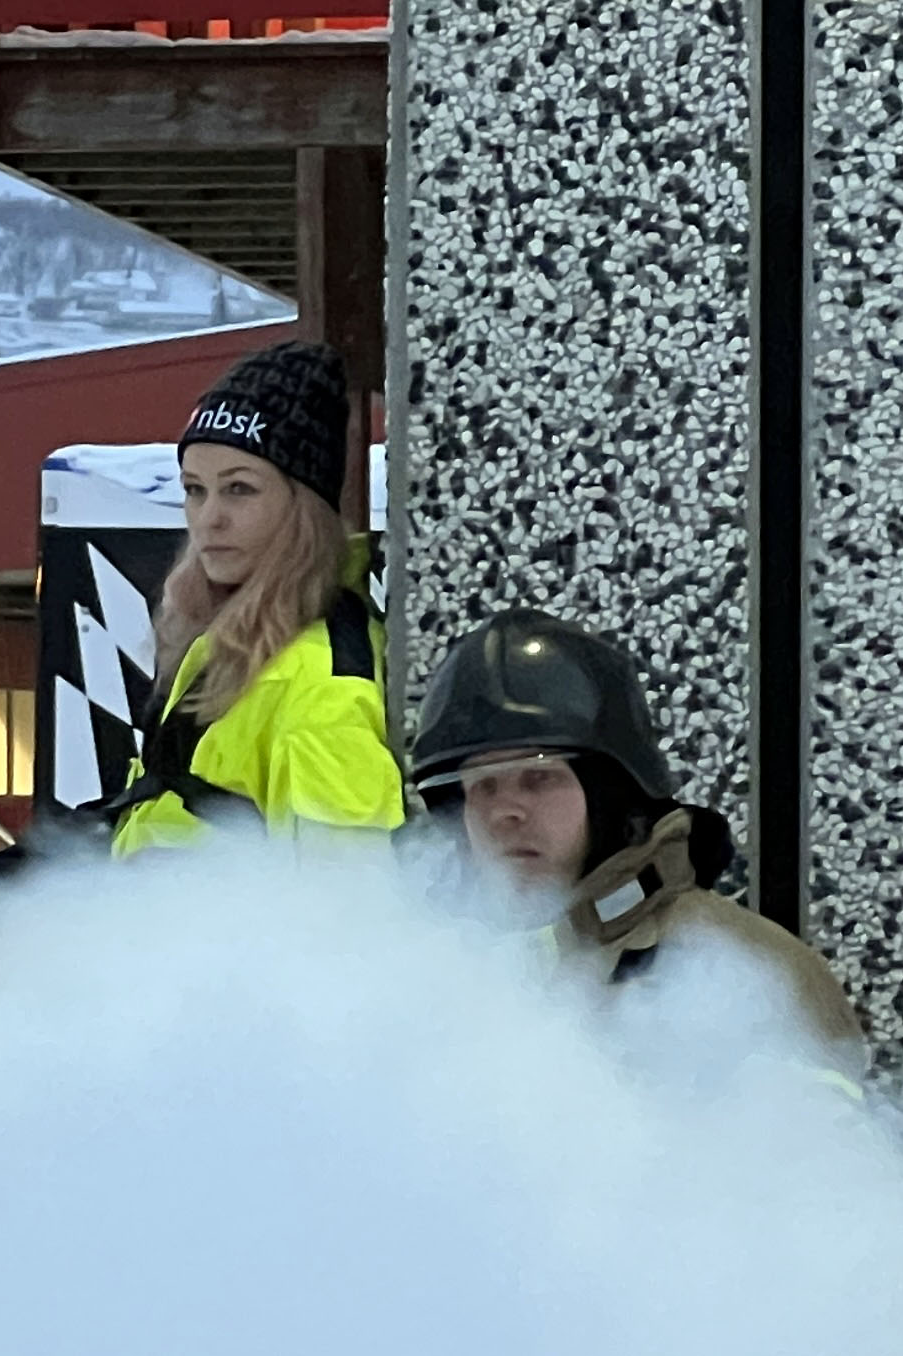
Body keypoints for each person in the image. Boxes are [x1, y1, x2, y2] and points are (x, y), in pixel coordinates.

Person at [404, 607, 863, 1059]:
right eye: (482, 786)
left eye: (538, 778)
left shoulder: (750, 973)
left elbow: (817, 1133)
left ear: (611, 794)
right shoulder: (445, 977)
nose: (504, 812)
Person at [103, 340, 409, 855]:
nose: (209, 518)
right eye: (195, 489)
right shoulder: (230, 640)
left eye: (239, 489)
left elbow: (347, 906)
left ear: (304, 507)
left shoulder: (321, 682)